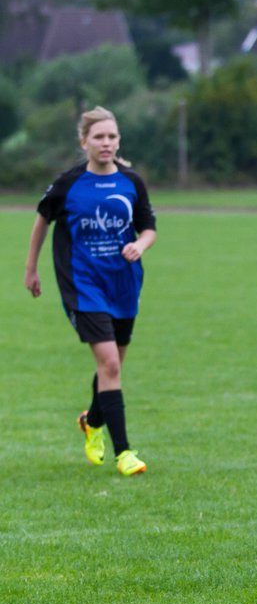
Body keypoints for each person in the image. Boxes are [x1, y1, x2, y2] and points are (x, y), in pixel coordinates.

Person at [23, 106, 156, 476]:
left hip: (124, 285)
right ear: (84, 142)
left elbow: (148, 228)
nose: (106, 143)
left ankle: (92, 422)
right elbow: (41, 222)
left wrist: (141, 246)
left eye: (112, 136)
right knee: (110, 364)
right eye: (99, 137)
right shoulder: (69, 184)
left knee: (113, 368)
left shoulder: (131, 182)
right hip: (83, 286)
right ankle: (124, 453)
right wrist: (31, 269)